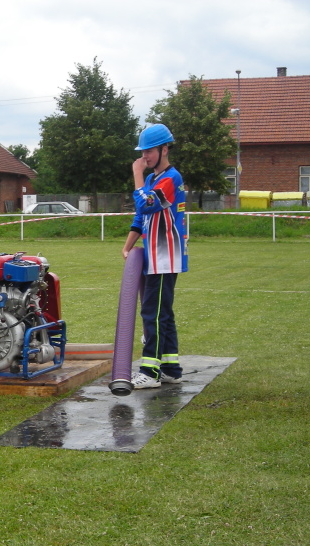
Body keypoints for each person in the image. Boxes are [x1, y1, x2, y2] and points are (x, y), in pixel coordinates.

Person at [121, 124, 188, 389]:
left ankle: (149, 372)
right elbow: (140, 217)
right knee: (163, 314)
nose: (144, 156)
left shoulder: (170, 178)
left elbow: (145, 204)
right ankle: (171, 368)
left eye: (149, 151)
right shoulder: (152, 180)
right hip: (155, 256)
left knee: (153, 313)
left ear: (164, 149)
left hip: (165, 256)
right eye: (142, 152)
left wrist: (137, 174)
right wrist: (128, 246)